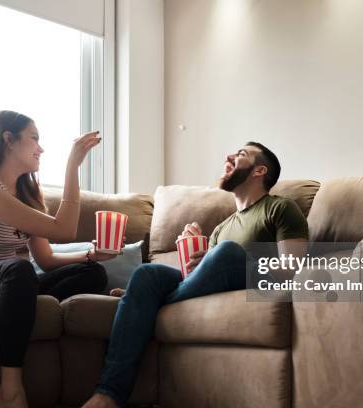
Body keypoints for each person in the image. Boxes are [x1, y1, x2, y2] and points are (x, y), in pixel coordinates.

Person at [84, 142, 309, 408]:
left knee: (225, 253)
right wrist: (199, 258)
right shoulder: (221, 228)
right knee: (148, 274)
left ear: (259, 170)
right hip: (211, 283)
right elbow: (198, 281)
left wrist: (224, 259)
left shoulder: (280, 208)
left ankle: (149, 301)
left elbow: (292, 268)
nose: (229, 156)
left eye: (241, 154)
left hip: (255, 280)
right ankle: (108, 394)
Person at [0, 110, 118, 408]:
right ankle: (10, 389)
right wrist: (72, 165)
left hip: (4, 286)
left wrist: (92, 255)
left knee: (92, 274)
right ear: (8, 140)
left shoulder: (25, 193)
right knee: (18, 269)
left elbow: (47, 258)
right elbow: (64, 229)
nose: (41, 148)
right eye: (35, 139)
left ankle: (15, 307)